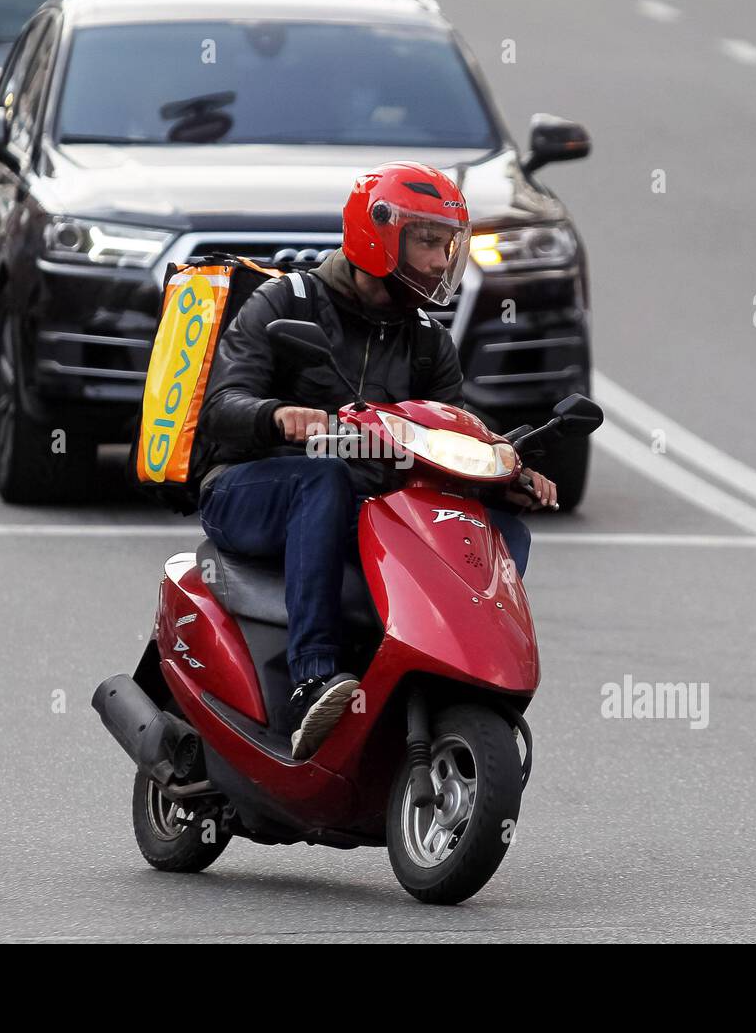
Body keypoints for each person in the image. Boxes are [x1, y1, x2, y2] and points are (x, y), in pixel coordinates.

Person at [196, 161, 558, 759]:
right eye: (427, 241)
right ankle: (311, 678)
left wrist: (506, 473)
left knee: (500, 531)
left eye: (448, 245)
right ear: (378, 234)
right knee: (324, 477)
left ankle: (456, 675)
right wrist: (277, 417)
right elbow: (220, 405)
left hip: (360, 503)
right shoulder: (286, 303)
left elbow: (450, 434)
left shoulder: (426, 341)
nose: (443, 260)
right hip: (248, 488)